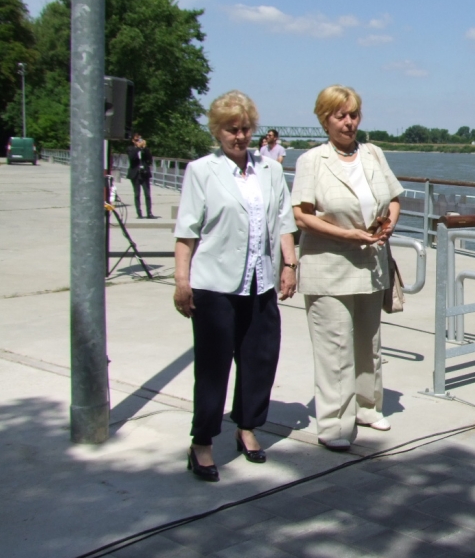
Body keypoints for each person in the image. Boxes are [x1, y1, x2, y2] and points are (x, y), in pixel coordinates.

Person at [172, 91, 298, 482]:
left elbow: (284, 222)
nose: (239, 136)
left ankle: (247, 427)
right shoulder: (201, 171)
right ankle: (202, 442)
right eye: (231, 129)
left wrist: (289, 265)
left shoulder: (270, 170)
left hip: (260, 282)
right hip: (214, 285)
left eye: (244, 129)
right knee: (213, 367)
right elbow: (187, 231)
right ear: (217, 131)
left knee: (260, 359)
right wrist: (181, 281)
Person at [291, 85, 402, 451]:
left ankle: (367, 406)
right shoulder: (312, 160)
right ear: (325, 120)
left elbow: (394, 198)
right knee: (335, 348)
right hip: (329, 266)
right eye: (341, 116)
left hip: (370, 264)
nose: (349, 122)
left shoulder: (373, 153)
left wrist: (388, 224)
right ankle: (335, 424)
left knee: (369, 342)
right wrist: (347, 234)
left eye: (354, 115)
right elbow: (302, 216)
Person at [126, 133, 154, 218]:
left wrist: (144, 148)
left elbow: (150, 159)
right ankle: (139, 213)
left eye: (139, 140)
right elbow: (131, 158)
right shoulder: (130, 148)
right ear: (133, 141)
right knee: (137, 194)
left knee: (147, 194)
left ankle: (149, 213)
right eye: (136, 140)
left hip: (144, 173)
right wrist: (138, 148)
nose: (138, 141)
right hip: (135, 174)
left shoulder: (144, 149)